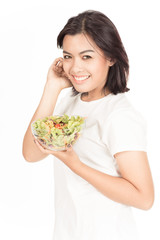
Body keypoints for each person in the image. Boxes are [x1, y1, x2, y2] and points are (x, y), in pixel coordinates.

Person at [23, 10, 154, 240]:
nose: (74, 68)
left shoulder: (119, 115)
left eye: (87, 57)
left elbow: (144, 198)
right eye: (67, 56)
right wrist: (51, 88)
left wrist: (75, 164)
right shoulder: (68, 104)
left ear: (111, 58)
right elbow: (31, 154)